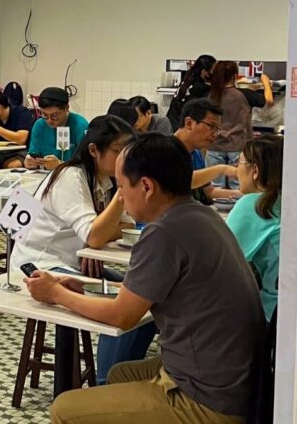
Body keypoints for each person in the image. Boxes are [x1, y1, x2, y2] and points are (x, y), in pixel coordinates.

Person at [27, 133, 264, 424]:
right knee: (120, 374)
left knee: (63, 409)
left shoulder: (164, 232)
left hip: (206, 398)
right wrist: (85, 287)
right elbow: (151, 289)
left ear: (147, 187)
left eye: (123, 188)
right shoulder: (201, 216)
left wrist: (56, 294)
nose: (121, 196)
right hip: (235, 379)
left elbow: (122, 316)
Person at [11, 115, 153, 383]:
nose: (125, 157)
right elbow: (96, 233)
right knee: (117, 303)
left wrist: (95, 235)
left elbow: (126, 225)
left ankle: (121, 378)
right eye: (118, 151)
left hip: (73, 261)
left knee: (144, 297)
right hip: (41, 263)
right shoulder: (70, 176)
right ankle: (106, 384)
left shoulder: (105, 180)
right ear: (93, 150)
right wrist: (97, 232)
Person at [227, 135, 283, 320]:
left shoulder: (253, 205)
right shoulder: (284, 200)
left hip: (274, 315)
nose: (236, 170)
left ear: (256, 170)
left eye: (240, 162)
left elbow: (220, 262)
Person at [207, 60, 273, 190]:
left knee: (214, 188)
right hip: (238, 146)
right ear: (235, 76)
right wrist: (265, 82)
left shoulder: (210, 95)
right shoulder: (244, 95)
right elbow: (268, 100)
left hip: (214, 144)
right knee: (239, 187)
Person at [25, 87, 89, 170]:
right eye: (44, 115)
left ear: (67, 108)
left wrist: (61, 165)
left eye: (54, 116)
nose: (49, 120)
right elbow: (33, 154)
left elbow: (88, 164)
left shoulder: (80, 126)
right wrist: (30, 162)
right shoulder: (39, 125)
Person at [167, 54, 216, 129]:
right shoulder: (201, 87)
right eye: (213, 71)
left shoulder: (188, 78)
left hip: (171, 122)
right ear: (204, 72)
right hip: (180, 126)